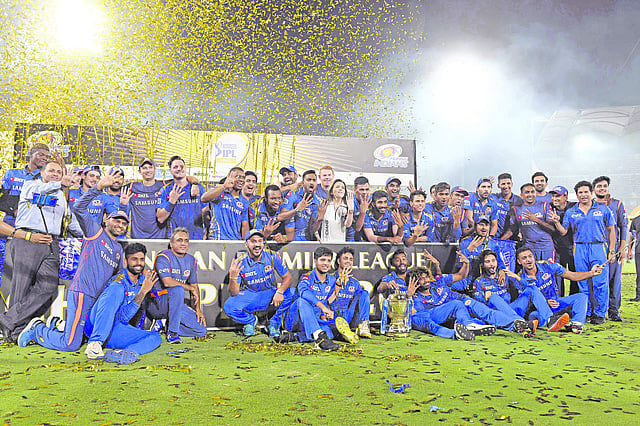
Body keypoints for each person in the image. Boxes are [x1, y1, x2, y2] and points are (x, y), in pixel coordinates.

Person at [18, 170, 128, 350]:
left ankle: (57, 326)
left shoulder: (118, 249)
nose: (120, 225)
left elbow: (116, 278)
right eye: (116, 220)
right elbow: (78, 207)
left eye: (124, 223)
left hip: (97, 299)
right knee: (71, 345)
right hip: (83, 293)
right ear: (106, 219)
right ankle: (37, 329)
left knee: (83, 337)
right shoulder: (95, 231)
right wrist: (99, 187)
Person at [0, 161, 81, 342]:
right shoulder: (31, 186)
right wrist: (61, 184)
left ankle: (8, 320)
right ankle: (13, 333)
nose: (55, 173)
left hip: (51, 243)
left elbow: (69, 219)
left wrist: (89, 235)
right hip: (28, 239)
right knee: (21, 287)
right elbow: (42, 190)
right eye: (51, 170)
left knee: (48, 285)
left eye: (58, 171)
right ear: (42, 173)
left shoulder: (60, 196)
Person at [83, 243, 162, 364]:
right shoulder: (118, 282)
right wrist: (143, 292)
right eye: (134, 259)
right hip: (96, 326)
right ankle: (94, 343)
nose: (139, 263)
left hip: (116, 328)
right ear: (125, 261)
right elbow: (123, 316)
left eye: (141, 259)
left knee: (155, 337)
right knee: (116, 289)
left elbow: (123, 319)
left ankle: (123, 353)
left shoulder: (143, 280)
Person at [550, 181, 616, 325]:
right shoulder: (571, 212)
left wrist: (611, 250)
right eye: (580, 192)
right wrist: (556, 222)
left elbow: (611, 230)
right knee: (582, 283)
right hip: (579, 249)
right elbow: (564, 231)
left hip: (598, 247)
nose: (583, 195)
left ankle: (600, 314)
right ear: (577, 195)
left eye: (586, 192)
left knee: (600, 283)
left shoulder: (603, 209)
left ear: (591, 193)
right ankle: (585, 312)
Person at [515, 246, 602, 334]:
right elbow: (525, 304)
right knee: (533, 316)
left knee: (581, 297)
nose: (528, 260)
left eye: (530, 256)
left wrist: (591, 273)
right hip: (540, 310)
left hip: (557, 303)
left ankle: (576, 324)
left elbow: (572, 276)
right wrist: (546, 302)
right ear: (519, 261)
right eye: (524, 258)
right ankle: (551, 321)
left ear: (534, 257)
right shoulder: (519, 279)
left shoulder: (547, 265)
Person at [408, 254, 498, 340]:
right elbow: (414, 315)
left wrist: (437, 265)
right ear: (415, 282)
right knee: (454, 306)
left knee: (461, 308)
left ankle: (472, 326)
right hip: (430, 315)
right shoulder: (416, 298)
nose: (426, 280)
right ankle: (458, 332)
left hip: (445, 314)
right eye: (421, 279)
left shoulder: (435, 284)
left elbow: (452, 276)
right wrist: (409, 296)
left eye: (426, 277)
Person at [225, 229, 294, 339]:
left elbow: (288, 278)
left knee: (291, 292)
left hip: (270, 294)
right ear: (246, 244)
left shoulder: (272, 256)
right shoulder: (240, 261)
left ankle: (273, 324)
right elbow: (234, 293)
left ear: (263, 243)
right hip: (251, 295)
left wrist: (280, 292)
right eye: (253, 241)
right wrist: (232, 277)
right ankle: (250, 321)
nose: (257, 245)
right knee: (229, 306)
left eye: (260, 241)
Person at [284, 247, 351, 351]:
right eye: (322, 260)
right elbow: (303, 292)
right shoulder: (307, 277)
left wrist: (339, 285)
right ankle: (319, 339)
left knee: (329, 334)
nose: (326, 263)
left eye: (328, 260)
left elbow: (328, 301)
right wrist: (323, 307)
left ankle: (296, 337)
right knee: (302, 301)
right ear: (315, 261)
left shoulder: (332, 280)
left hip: (313, 321)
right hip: (295, 320)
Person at [146, 227, 207, 343]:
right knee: (178, 290)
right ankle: (172, 332)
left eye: (186, 240)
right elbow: (167, 282)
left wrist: (198, 310)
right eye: (179, 240)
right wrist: (190, 288)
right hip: (158, 303)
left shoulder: (191, 260)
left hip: (176, 305)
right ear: (171, 243)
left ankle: (165, 324)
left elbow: (195, 286)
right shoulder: (163, 257)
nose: (183, 243)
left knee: (201, 330)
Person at [125, 158, 201, 239]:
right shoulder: (132, 187)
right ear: (139, 171)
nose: (148, 170)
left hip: (160, 238)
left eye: (150, 167)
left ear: (155, 169)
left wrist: (194, 183)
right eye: (144, 168)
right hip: (137, 237)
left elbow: (184, 178)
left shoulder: (164, 185)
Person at [471, 250, 538, 337]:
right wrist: (485, 297)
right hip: (497, 315)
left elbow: (526, 287)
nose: (491, 264)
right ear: (482, 265)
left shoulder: (504, 275)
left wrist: (516, 276)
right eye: (487, 262)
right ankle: (522, 324)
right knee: (494, 297)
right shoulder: (479, 282)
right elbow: (480, 307)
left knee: (530, 289)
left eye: (493, 261)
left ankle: (549, 319)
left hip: (511, 309)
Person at [593, 175, 627, 322]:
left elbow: (623, 226)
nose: (602, 188)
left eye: (604, 186)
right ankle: (597, 310)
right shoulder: (590, 204)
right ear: (594, 189)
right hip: (596, 248)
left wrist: (622, 246)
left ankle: (613, 311)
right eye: (599, 186)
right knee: (597, 280)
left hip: (614, 248)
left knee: (614, 281)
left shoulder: (617, 204)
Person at [501, 183, 556, 261]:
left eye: (532, 192)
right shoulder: (516, 209)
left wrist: (536, 219)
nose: (530, 195)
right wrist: (499, 241)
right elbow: (512, 230)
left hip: (546, 247)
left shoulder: (544, 206)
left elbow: (552, 228)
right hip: (528, 247)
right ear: (522, 195)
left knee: (548, 268)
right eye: (527, 192)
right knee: (530, 268)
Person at [0, 142, 50, 226]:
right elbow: (2, 197)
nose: (44, 158)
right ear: (30, 154)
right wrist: (13, 210)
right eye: (41, 155)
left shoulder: (46, 178)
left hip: (33, 224)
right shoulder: (11, 173)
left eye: (47, 157)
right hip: (9, 223)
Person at [157, 155, 206, 240]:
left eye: (181, 166)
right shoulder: (165, 190)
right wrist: (171, 202)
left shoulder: (199, 188)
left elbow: (205, 213)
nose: (179, 169)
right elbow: (160, 218)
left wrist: (207, 232)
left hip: (197, 237)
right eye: (175, 167)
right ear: (170, 170)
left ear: (185, 168)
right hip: (175, 240)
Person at [457, 216, 506, 292]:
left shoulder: (493, 244)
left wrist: (502, 270)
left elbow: (500, 261)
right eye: (481, 225)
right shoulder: (465, 242)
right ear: (475, 226)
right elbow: (458, 263)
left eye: (486, 225)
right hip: (466, 282)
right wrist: (469, 249)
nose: (484, 228)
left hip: (484, 284)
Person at [331, 247, 371, 338]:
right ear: (338, 261)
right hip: (333, 317)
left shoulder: (355, 283)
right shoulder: (330, 278)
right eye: (345, 258)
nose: (348, 261)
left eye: (351, 259)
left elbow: (355, 305)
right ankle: (342, 333)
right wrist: (339, 282)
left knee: (364, 293)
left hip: (348, 318)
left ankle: (363, 325)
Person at [201, 167, 249, 240]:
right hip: (217, 238)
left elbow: (245, 226)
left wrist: (245, 242)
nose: (241, 180)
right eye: (238, 176)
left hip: (235, 240)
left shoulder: (244, 201)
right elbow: (203, 198)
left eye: (243, 177)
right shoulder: (219, 192)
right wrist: (224, 187)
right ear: (229, 177)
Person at [549, 186, 577, 296]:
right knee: (558, 277)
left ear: (565, 197)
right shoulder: (549, 207)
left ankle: (573, 301)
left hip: (572, 249)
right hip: (557, 250)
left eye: (558, 196)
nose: (555, 198)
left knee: (575, 277)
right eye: (553, 196)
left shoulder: (574, 207)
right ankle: (560, 301)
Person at [279, 170, 321, 241]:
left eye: (314, 180)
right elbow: (280, 217)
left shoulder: (317, 202)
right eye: (309, 180)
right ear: (303, 182)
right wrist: (297, 210)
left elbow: (313, 229)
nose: (311, 182)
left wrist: (320, 219)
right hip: (290, 240)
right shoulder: (293, 195)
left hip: (307, 241)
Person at [493, 173, 523, 237]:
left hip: (512, 238)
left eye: (508, 183)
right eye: (503, 184)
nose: (506, 186)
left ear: (512, 184)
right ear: (498, 186)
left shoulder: (519, 201)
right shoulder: (493, 198)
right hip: (494, 237)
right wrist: (486, 183)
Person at [350, 176, 371, 242]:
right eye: (361, 190)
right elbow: (357, 228)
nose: (365, 192)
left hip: (367, 235)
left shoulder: (371, 200)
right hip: (352, 236)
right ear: (355, 190)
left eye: (367, 189)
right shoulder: (350, 202)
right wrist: (363, 212)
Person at [627, 213, 640, 302]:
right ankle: (638, 296)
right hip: (639, 250)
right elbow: (632, 236)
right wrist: (629, 251)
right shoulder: (636, 220)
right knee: (639, 274)